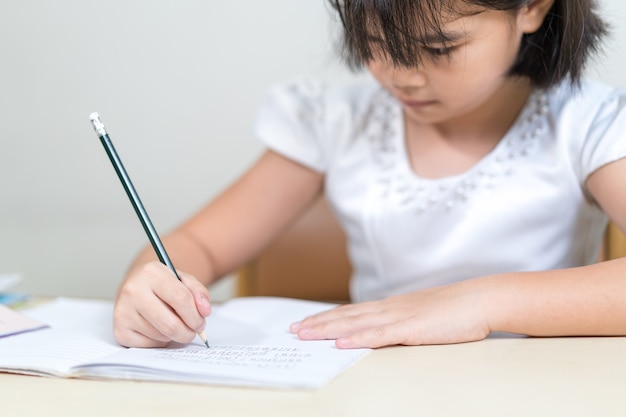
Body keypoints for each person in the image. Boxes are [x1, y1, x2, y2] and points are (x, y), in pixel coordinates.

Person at [113, 0, 626, 349]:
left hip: (537, 388)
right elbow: (198, 244)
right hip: (375, 389)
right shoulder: (336, 118)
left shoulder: (586, 122)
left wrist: (482, 302)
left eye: (440, 47)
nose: (401, 74)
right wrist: (153, 288)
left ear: (533, 7)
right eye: (375, 43)